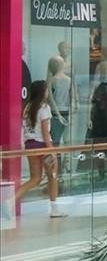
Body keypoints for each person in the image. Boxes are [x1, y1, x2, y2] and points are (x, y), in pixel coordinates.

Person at [19, 80, 65, 217]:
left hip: (30, 145)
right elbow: (45, 134)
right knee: (53, 176)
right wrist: (52, 152)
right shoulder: (44, 108)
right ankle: (54, 209)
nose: (47, 93)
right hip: (43, 146)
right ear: (42, 92)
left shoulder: (27, 108)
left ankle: (10, 200)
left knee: (35, 179)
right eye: (46, 90)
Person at [86, 63, 107, 177]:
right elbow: (89, 101)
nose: (106, 71)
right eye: (104, 69)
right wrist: (88, 118)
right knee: (99, 144)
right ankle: (100, 171)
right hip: (98, 118)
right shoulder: (95, 84)